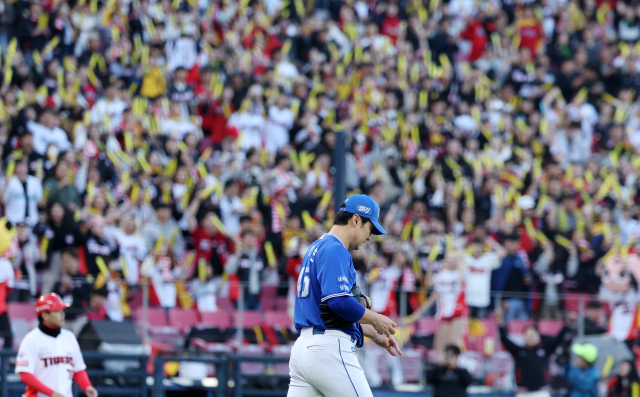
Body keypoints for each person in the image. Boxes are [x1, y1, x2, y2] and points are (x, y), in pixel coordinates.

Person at [287, 195, 402, 397]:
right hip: (328, 350)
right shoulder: (335, 249)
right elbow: (338, 301)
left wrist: (373, 333)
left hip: (303, 350)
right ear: (356, 220)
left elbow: (326, 310)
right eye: (370, 229)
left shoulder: (315, 247)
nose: (370, 237)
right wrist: (376, 319)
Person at [15, 293, 98, 397]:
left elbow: (78, 369)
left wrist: (87, 386)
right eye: (57, 311)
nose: (63, 314)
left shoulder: (69, 337)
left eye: (62, 310)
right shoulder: (31, 339)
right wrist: (51, 393)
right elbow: (25, 375)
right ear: (45, 315)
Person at [496, 308, 575, 391]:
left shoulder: (545, 351)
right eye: (528, 335)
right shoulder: (518, 352)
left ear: (538, 337)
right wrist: (500, 322)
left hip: (541, 392)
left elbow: (559, 338)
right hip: (523, 392)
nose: (531, 337)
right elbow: (504, 339)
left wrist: (568, 323)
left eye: (533, 335)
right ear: (524, 337)